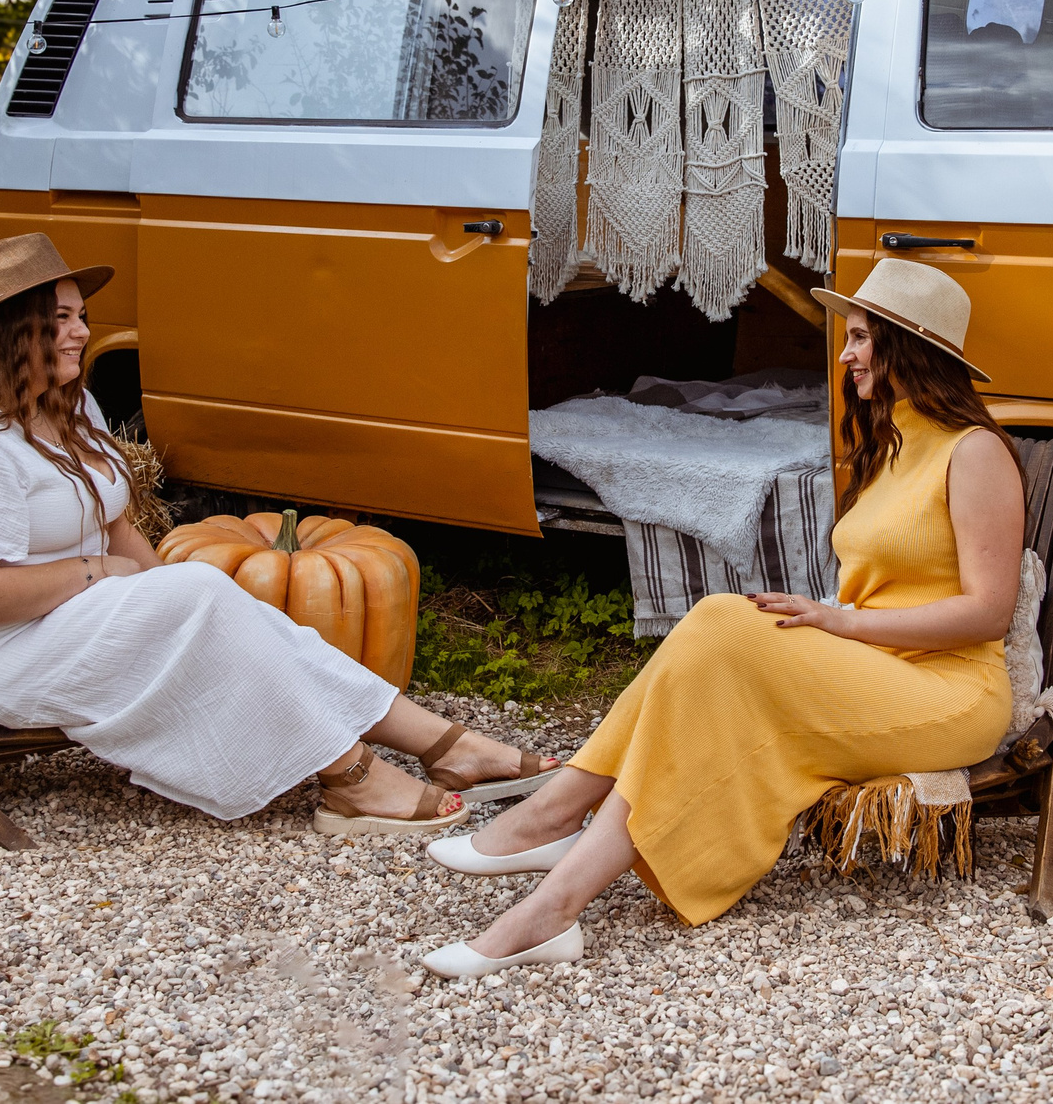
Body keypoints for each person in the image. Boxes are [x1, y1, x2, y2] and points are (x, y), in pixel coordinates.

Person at [419, 258, 1022, 976]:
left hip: (950, 694)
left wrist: (842, 624)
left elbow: (988, 612)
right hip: (879, 669)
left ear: (906, 347)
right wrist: (835, 619)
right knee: (714, 659)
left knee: (719, 622)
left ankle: (554, 820)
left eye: (860, 337)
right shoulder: (891, 447)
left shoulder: (974, 451)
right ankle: (552, 901)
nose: (845, 355)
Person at [0, 233, 557, 834]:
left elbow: (111, 523)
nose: (80, 332)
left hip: (53, 618)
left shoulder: (70, 405)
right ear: (8, 331)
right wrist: (100, 575)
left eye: (80, 315)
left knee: (227, 606)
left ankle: (445, 746)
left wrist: (162, 590)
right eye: (58, 319)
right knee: (205, 591)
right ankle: (351, 777)